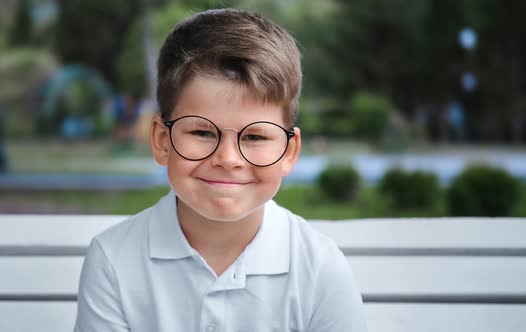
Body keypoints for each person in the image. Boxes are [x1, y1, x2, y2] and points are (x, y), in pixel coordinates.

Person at [74, 8, 367, 332]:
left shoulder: (319, 268)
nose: (228, 159)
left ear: (288, 152)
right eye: (202, 132)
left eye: (255, 136)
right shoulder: (114, 259)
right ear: (161, 140)